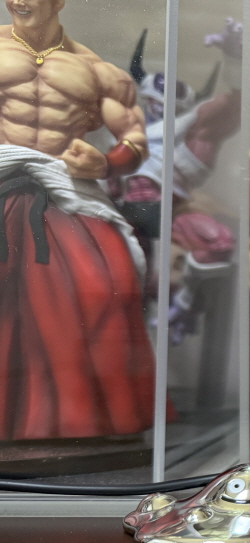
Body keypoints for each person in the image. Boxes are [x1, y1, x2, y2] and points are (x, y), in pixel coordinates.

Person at [0, 0, 153, 439]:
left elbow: (134, 139)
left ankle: (84, 419)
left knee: (107, 282)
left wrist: (104, 163)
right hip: (3, 177)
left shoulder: (95, 71)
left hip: (65, 189)